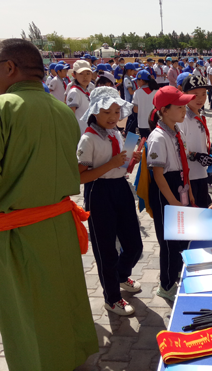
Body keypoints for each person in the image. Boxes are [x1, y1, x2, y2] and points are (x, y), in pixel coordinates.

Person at [0, 38, 98, 370]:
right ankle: (74, 355)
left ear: (9, 68)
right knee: (64, 299)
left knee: (28, 313)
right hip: (58, 223)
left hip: (18, 233)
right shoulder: (61, 110)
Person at [77, 87, 142, 316]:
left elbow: (120, 166)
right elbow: (80, 176)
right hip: (99, 192)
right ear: (94, 112)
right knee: (106, 250)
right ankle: (112, 298)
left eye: (116, 111)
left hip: (121, 188)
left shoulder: (115, 132)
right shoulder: (88, 139)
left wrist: (131, 159)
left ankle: (122, 276)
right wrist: (111, 164)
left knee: (135, 244)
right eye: (106, 111)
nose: (113, 116)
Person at [146, 86, 195, 301]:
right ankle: (165, 284)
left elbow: (185, 167)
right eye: (179, 106)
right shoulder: (158, 137)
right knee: (168, 241)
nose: (184, 110)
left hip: (180, 185)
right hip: (166, 190)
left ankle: (176, 275)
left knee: (181, 237)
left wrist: (190, 193)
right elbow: (158, 176)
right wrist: (173, 201)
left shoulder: (177, 131)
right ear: (164, 110)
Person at [178, 75, 212, 208]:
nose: (200, 98)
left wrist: (210, 151)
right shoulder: (183, 118)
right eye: (195, 94)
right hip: (189, 178)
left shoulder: (199, 114)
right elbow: (180, 148)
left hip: (201, 174)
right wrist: (195, 156)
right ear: (184, 94)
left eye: (204, 94)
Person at [66, 60, 93, 135]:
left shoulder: (89, 88)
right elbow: (70, 117)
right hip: (81, 134)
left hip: (88, 132)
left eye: (88, 73)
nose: (85, 77)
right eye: (81, 74)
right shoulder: (75, 92)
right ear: (74, 75)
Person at [133, 69, 159, 138]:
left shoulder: (137, 92)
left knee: (145, 145)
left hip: (142, 123)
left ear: (141, 80)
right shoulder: (156, 91)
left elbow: (135, 110)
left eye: (137, 80)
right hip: (155, 121)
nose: (136, 82)